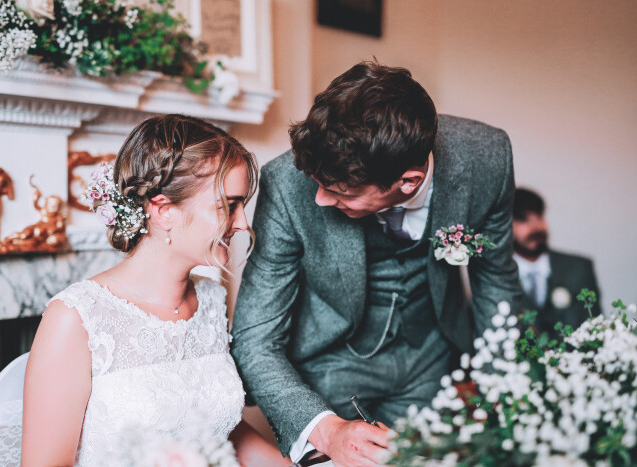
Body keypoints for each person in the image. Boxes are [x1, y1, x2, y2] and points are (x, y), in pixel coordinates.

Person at [231, 62, 523, 467]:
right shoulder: (287, 184)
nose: (319, 201)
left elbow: (498, 286)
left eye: (338, 191)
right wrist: (327, 429)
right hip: (328, 368)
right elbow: (254, 337)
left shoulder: (486, 159)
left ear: (409, 181)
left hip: (431, 361)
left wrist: (502, 398)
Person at [0, 115, 290, 466]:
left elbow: (220, 428)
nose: (243, 222)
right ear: (163, 210)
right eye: (229, 205)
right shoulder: (76, 318)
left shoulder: (211, 300)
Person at [513, 188, 601, 338]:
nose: (536, 227)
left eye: (539, 216)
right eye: (523, 219)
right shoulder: (495, 276)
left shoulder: (579, 268)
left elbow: (595, 327)